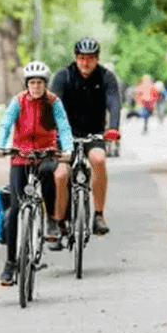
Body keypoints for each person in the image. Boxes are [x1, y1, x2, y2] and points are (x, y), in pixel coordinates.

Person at [0, 61, 74, 285]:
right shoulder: (18, 101)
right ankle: (10, 264)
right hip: (20, 156)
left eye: (39, 83)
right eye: (32, 83)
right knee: (16, 210)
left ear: (45, 84)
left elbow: (64, 128)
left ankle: (50, 220)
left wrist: (68, 150)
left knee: (49, 171)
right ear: (27, 84)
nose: (35, 86)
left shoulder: (53, 102)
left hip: (46, 154)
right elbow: (5, 124)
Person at [50, 36, 121, 236]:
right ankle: (59, 220)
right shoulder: (64, 76)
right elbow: (54, 105)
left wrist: (113, 127)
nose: (86, 62)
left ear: (97, 59)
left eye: (90, 58)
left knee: (98, 160)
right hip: (66, 135)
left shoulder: (106, 77)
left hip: (94, 133)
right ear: (75, 58)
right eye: (81, 58)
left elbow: (114, 102)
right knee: (61, 174)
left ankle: (98, 215)